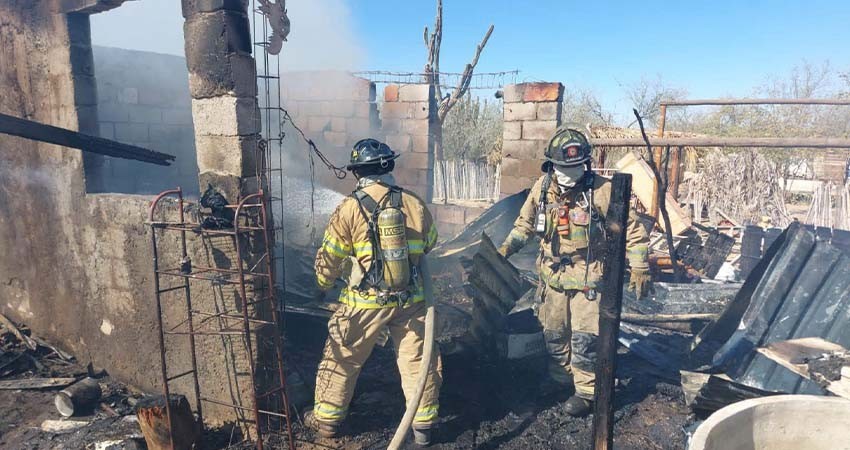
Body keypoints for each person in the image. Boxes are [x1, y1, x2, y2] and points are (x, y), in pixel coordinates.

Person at [498, 126, 650, 417]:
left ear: (586, 163)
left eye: (576, 166)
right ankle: (560, 378)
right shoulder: (543, 188)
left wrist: (641, 265)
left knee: (585, 339)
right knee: (554, 333)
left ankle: (587, 392)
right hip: (552, 278)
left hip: (588, 280)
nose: (570, 172)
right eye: (563, 167)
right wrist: (506, 249)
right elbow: (524, 225)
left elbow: (633, 230)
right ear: (551, 164)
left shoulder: (603, 191)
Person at [308, 138, 442, 445]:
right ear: (389, 167)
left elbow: (330, 258)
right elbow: (430, 242)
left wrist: (321, 287)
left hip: (363, 304)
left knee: (342, 358)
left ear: (358, 172)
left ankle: (328, 422)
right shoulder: (413, 203)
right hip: (412, 300)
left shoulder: (349, 209)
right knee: (419, 361)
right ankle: (423, 427)